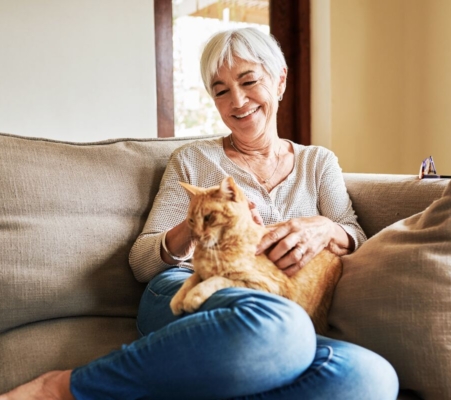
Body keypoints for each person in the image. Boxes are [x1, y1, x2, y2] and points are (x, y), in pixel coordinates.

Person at [0, 27, 399, 400]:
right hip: (190, 286)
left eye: (248, 81)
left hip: (275, 305)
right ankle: (64, 388)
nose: (237, 102)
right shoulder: (193, 160)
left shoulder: (317, 163)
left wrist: (325, 227)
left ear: (279, 80)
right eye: (221, 90)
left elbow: (356, 236)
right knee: (284, 327)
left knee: (370, 376)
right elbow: (142, 262)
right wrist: (200, 226)